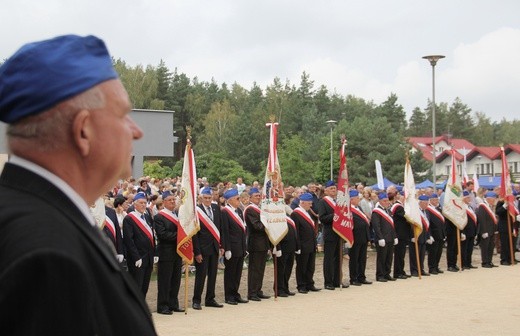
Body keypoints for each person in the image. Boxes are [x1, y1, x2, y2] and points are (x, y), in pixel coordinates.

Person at [0, 35, 156, 334]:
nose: (136, 131)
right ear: (83, 130)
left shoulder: (34, 218)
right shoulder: (48, 258)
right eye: (123, 115)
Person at [192, 187, 224, 309]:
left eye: (210, 198)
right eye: (205, 198)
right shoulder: (197, 211)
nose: (208, 200)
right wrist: (197, 252)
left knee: (213, 275)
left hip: (214, 248)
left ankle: (210, 298)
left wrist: (221, 246)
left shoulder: (216, 208)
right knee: (201, 275)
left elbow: (219, 228)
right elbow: (195, 234)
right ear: (200, 198)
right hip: (202, 249)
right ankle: (196, 300)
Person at [153, 191, 184, 314]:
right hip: (166, 252)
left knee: (176, 280)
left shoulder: (177, 214)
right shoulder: (159, 217)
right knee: (165, 281)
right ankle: (163, 305)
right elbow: (163, 235)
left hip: (177, 252)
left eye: (173, 200)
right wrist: (180, 236)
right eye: (170, 200)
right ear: (164, 202)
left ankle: (173, 303)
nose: (172, 202)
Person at [123, 192, 158, 297]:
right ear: (135, 204)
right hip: (138, 258)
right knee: (136, 285)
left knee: (145, 286)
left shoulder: (147, 217)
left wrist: (155, 253)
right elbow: (129, 240)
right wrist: (136, 257)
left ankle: (141, 309)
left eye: (145, 203)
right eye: (141, 203)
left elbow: (152, 236)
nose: (143, 205)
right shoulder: (129, 219)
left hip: (149, 257)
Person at [221, 189, 249, 305]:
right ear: (230, 200)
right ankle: (229, 295)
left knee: (238, 273)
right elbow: (225, 231)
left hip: (240, 247)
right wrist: (227, 248)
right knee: (230, 273)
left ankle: (235, 293)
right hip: (232, 247)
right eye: (237, 199)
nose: (239, 201)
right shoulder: (225, 212)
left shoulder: (238, 211)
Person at [243, 187, 271, 301]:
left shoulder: (259, 209)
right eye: (256, 196)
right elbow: (257, 226)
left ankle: (258, 290)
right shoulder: (250, 210)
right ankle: (252, 292)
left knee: (261, 268)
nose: (258, 198)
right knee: (254, 269)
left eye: (259, 196)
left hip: (263, 243)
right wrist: (268, 223)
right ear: (250, 197)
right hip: (255, 242)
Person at [318, 180, 346, 290]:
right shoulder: (323, 202)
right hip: (330, 233)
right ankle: (328, 282)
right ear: (326, 190)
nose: (333, 190)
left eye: (334, 189)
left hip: (339, 233)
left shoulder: (337, 202)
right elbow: (322, 218)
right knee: (329, 259)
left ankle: (337, 280)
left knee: (338, 258)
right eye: (331, 189)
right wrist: (335, 215)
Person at [292, 192, 321, 293]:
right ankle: (301, 285)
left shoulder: (307, 212)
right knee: (302, 266)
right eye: (309, 203)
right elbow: (297, 232)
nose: (311, 205)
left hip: (311, 243)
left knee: (310, 266)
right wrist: (298, 246)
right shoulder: (296, 213)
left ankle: (309, 283)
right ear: (303, 202)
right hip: (303, 244)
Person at [371, 192, 397, 282]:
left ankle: (387, 273)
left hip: (390, 238)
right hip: (382, 238)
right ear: (380, 201)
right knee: (382, 258)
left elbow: (392, 225)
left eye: (387, 201)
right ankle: (380, 275)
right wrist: (380, 238)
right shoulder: (376, 212)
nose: (387, 202)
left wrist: (395, 236)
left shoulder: (388, 211)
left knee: (389, 257)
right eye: (384, 201)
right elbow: (376, 226)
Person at [349, 190, 372, 285]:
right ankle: (353, 278)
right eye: (357, 198)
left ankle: (361, 276)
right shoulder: (348, 209)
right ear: (351, 199)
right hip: (355, 237)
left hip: (363, 236)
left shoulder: (358, 208)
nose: (359, 200)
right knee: (354, 258)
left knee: (362, 258)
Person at [388, 186, 411, 279]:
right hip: (399, 234)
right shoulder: (398, 207)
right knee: (399, 254)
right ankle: (398, 272)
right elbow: (406, 217)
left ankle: (401, 270)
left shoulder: (401, 206)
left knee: (402, 254)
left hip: (403, 234)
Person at [409, 195, 432, 276]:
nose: (427, 205)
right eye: (425, 203)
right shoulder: (415, 212)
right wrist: (412, 236)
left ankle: (421, 269)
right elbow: (412, 224)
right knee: (414, 254)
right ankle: (414, 270)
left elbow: (427, 225)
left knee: (422, 254)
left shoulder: (427, 212)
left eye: (427, 203)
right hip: (416, 236)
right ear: (420, 203)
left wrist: (429, 236)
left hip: (424, 236)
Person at [477, 191, 498, 268]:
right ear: (489, 199)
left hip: (491, 230)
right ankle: (485, 262)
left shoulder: (489, 206)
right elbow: (482, 219)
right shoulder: (483, 206)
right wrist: (483, 231)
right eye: (494, 199)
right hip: (486, 230)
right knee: (485, 247)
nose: (494, 201)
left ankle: (489, 261)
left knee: (491, 247)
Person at [426, 193, 446, 274]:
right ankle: (432, 267)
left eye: (437, 200)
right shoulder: (428, 209)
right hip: (433, 234)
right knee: (432, 252)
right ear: (430, 200)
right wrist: (429, 235)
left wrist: (444, 234)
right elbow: (428, 223)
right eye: (434, 200)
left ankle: (436, 266)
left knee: (439, 252)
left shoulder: (438, 208)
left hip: (440, 233)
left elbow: (442, 222)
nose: (436, 201)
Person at [461, 191, 478, 269]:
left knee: (470, 248)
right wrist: (462, 232)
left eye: (469, 197)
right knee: (464, 248)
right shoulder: (462, 207)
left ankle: (468, 262)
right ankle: (463, 263)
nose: (469, 198)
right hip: (466, 231)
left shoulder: (470, 207)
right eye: (467, 197)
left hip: (472, 230)